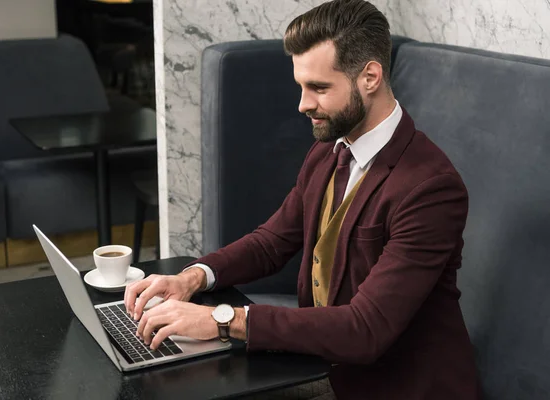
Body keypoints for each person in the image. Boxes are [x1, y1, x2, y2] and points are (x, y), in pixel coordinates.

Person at [124, 0, 481, 398]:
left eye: (319, 88)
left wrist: (223, 320)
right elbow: (271, 243)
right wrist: (191, 277)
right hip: (330, 374)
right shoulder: (330, 151)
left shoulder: (431, 188)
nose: (303, 104)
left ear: (370, 77)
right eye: (301, 86)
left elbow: (365, 330)